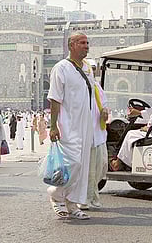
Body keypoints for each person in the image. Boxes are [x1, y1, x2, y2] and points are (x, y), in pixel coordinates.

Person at [47, 32, 94, 220]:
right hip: (67, 124)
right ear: (71, 45)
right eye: (82, 42)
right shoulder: (61, 68)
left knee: (82, 166)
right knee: (72, 163)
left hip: (85, 125)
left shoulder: (87, 69)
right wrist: (53, 126)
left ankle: (72, 203)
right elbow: (55, 99)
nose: (86, 46)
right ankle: (56, 195)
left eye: (87, 43)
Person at [82, 59, 109, 209]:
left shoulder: (97, 87)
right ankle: (86, 199)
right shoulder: (80, 88)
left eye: (92, 69)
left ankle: (92, 195)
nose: (91, 72)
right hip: (86, 135)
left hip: (99, 134)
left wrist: (105, 111)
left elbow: (104, 104)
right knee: (88, 170)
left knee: (100, 167)